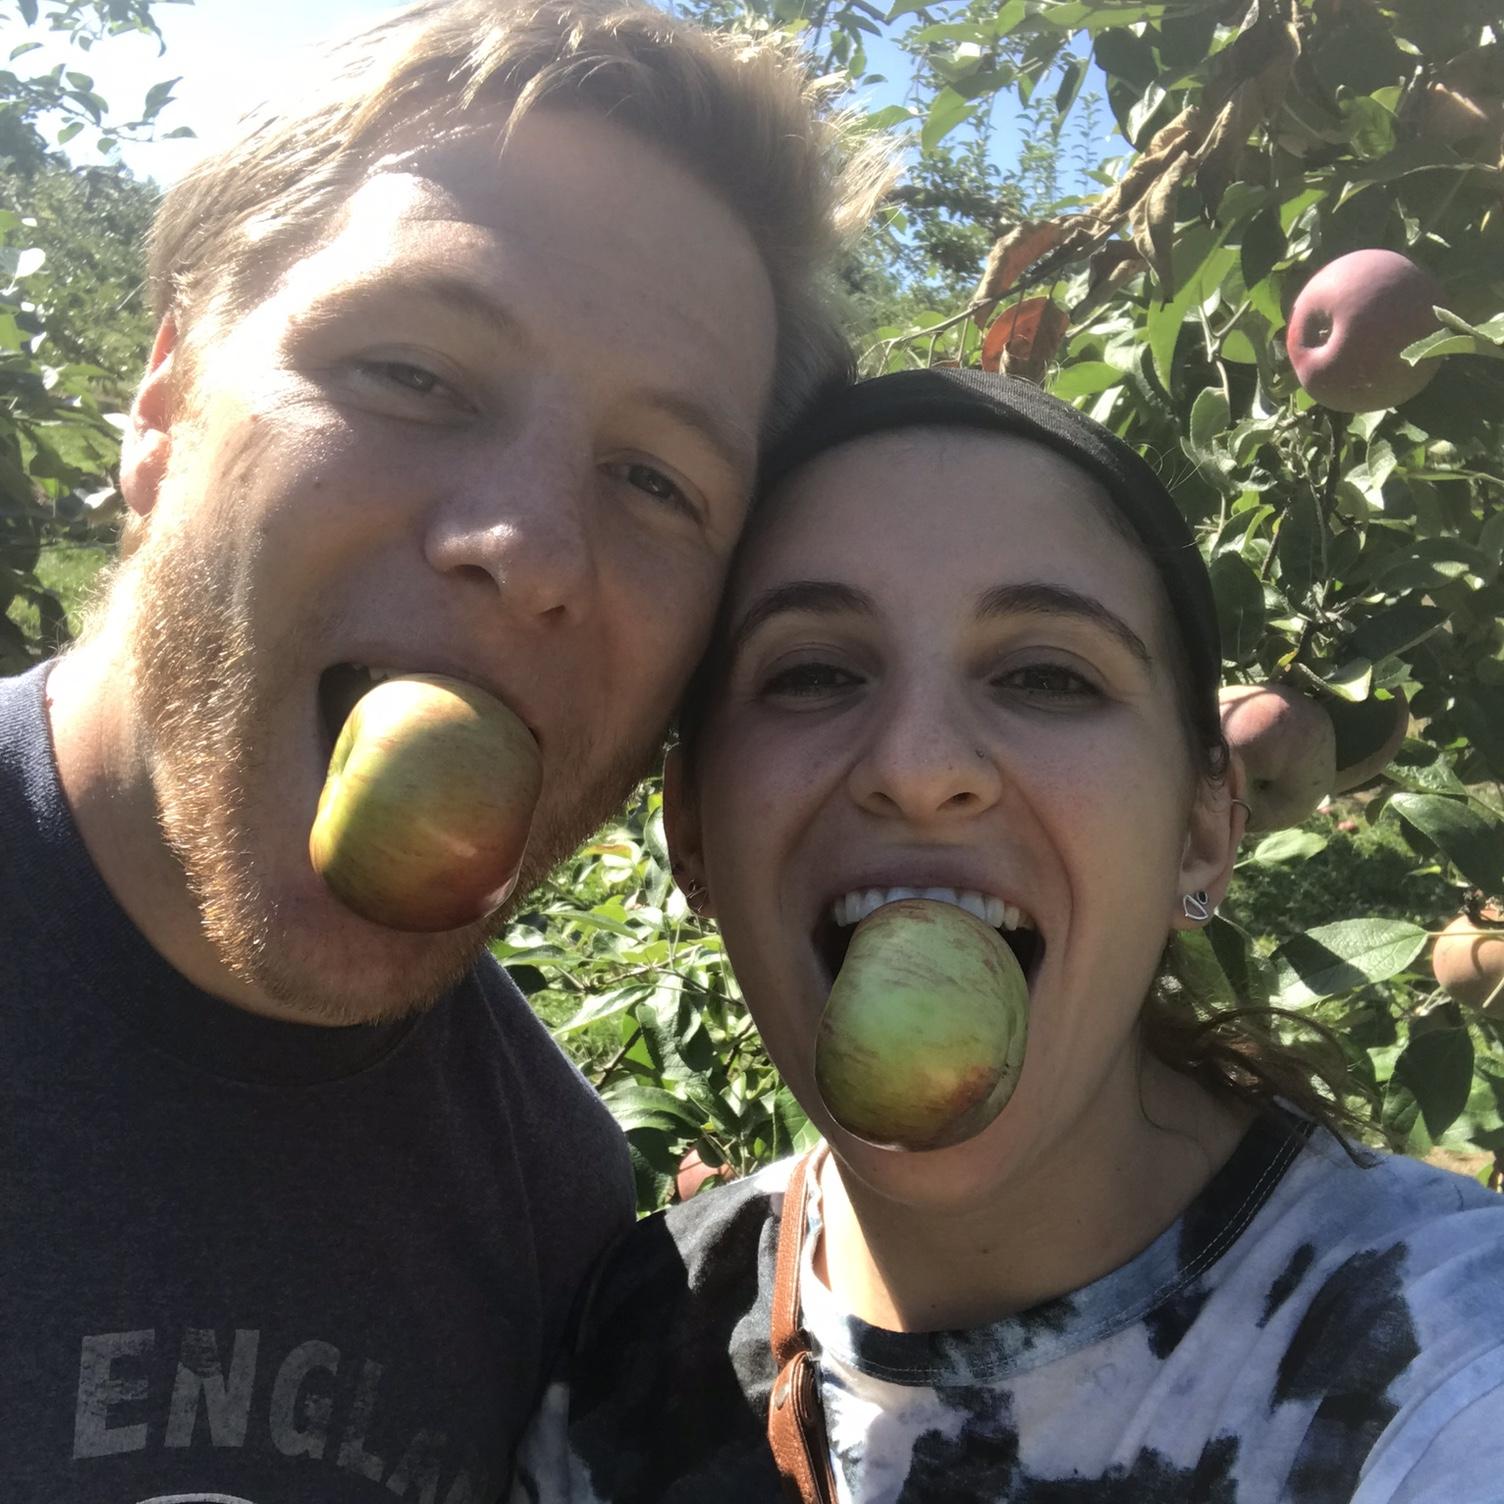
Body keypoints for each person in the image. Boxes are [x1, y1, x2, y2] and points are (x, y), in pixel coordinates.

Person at [0, 1, 887, 1496]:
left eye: (656, 479)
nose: (529, 546)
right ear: (161, 408)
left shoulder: (544, 1204)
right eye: (412, 374)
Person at [511, 368, 1504, 1504]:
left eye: (1045, 674)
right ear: (690, 827)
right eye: (813, 671)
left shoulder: (1434, 1368)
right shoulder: (631, 1340)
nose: (917, 767)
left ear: (1202, 827)